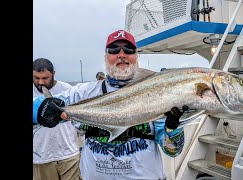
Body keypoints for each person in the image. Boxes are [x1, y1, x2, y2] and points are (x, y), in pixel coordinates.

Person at [33, 30, 186, 180]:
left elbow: (173, 150)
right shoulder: (83, 92)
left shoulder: (158, 94)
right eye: (114, 50)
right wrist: (43, 109)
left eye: (128, 50)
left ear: (136, 56)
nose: (122, 55)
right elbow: (37, 106)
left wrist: (173, 128)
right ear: (106, 57)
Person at [33, 58, 81, 180]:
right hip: (40, 158)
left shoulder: (68, 90)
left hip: (69, 155)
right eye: (36, 78)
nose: (40, 82)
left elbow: (79, 120)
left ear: (53, 74)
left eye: (45, 78)